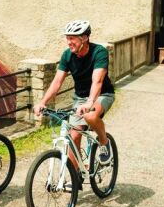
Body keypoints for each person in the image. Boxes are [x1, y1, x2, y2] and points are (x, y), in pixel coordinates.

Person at [34, 19, 115, 173]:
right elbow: (57, 82)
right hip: (80, 98)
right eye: (67, 38)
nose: (68, 42)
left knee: (91, 117)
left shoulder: (99, 52)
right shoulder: (67, 55)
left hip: (102, 95)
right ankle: (75, 175)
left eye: (72, 38)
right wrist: (43, 102)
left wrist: (90, 102)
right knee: (74, 136)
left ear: (84, 38)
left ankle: (104, 144)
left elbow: (97, 81)